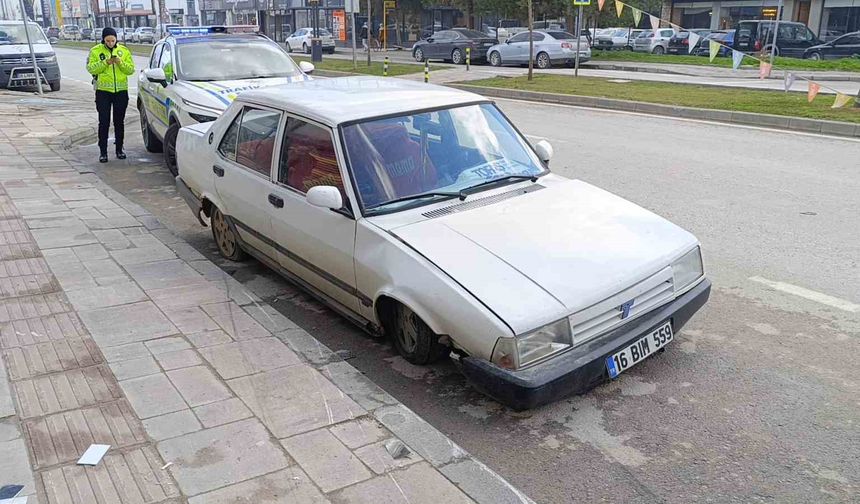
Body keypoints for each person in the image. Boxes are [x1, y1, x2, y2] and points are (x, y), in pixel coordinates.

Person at [86, 27, 134, 163]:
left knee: (119, 122)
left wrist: (120, 62)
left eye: (113, 40)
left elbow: (130, 70)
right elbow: (91, 68)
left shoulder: (123, 51)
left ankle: (119, 149)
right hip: (103, 92)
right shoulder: (96, 51)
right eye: (108, 40)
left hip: (120, 91)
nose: (110, 43)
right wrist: (105, 62)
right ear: (103, 39)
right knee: (104, 122)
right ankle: (103, 152)